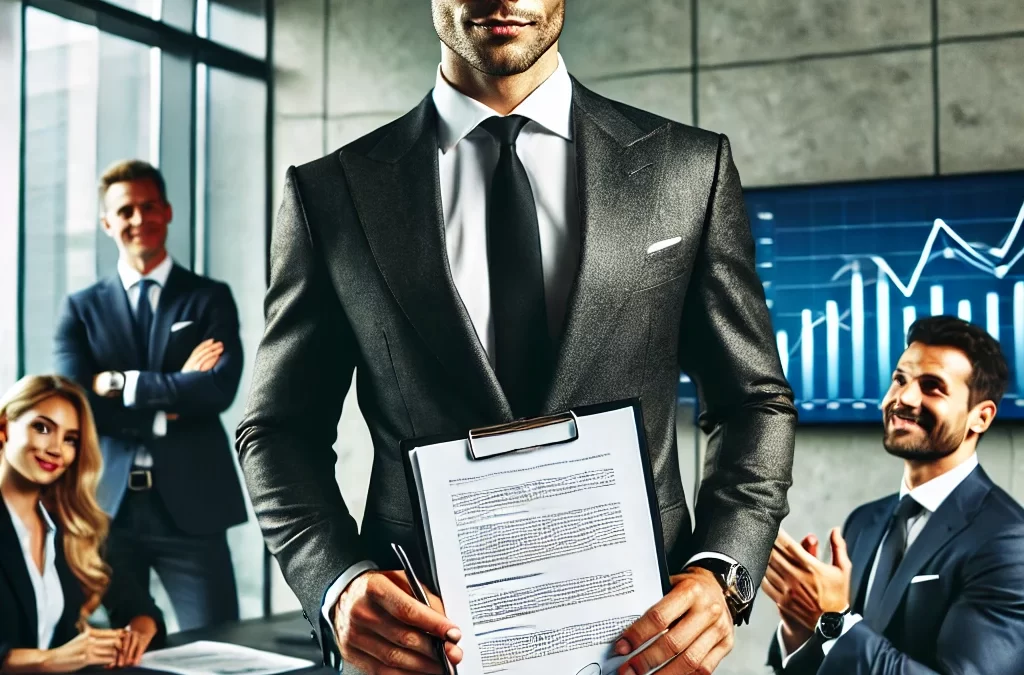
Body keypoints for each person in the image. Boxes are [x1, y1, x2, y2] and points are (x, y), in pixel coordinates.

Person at [237, 1, 797, 673]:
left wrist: (721, 570)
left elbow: (752, 401)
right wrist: (336, 581)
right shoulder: (329, 194)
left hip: (642, 642)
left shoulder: (688, 169)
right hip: (421, 645)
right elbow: (277, 429)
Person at [764, 315, 1024, 675]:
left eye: (932, 387)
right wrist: (802, 628)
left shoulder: (1009, 541)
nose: (904, 397)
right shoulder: (863, 522)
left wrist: (834, 619)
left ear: (980, 417)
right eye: (900, 379)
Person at [53, 159, 247, 631]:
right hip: (108, 511)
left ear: (168, 211)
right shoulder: (80, 309)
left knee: (221, 641)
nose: (139, 219)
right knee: (127, 647)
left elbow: (219, 388)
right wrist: (172, 400)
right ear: (107, 223)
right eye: (125, 211)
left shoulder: (209, 297)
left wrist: (122, 383)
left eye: (149, 206)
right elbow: (79, 408)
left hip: (193, 510)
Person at [0, 375, 165, 673]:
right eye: (42, 428)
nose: (55, 449)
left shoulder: (74, 525)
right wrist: (51, 660)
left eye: (70, 439)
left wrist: (137, 634)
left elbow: (139, 608)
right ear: (3, 428)